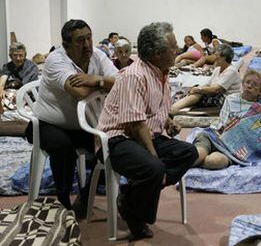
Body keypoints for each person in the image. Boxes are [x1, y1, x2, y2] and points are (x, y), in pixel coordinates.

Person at [96, 22, 198, 240]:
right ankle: (135, 216)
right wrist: (155, 159)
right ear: (156, 53)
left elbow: (157, 108)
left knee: (189, 153)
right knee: (154, 167)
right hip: (118, 138)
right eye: (173, 47)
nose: (178, 49)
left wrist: (168, 121)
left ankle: (130, 198)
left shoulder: (162, 72)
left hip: (147, 133)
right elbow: (135, 124)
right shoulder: (135, 75)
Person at [26, 19, 118, 217]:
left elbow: (121, 82)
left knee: (114, 145)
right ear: (66, 46)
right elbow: (79, 91)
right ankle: (63, 200)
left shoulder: (98, 55)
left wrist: (96, 79)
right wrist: (102, 84)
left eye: (89, 38)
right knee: (63, 149)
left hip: (85, 124)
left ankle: (85, 198)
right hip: (50, 124)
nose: (87, 45)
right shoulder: (55, 61)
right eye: (80, 41)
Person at [192, 70, 261, 169]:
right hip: (213, 136)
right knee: (198, 155)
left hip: (234, 149)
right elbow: (222, 123)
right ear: (242, 84)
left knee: (214, 162)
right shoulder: (231, 99)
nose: (249, 86)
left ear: (260, 90)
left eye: (255, 85)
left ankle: (193, 162)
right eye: (247, 82)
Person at [171, 44, 241, 115]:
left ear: (224, 58)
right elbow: (207, 84)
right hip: (217, 94)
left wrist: (198, 89)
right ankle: (176, 106)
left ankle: (174, 108)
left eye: (217, 56)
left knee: (198, 92)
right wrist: (197, 87)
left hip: (226, 99)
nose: (215, 58)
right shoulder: (217, 69)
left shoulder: (231, 71)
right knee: (196, 88)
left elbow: (216, 89)